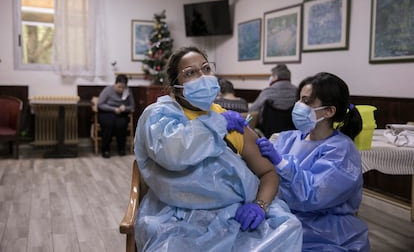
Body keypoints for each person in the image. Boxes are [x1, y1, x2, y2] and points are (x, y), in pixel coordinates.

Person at [134, 46, 302, 251]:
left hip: (233, 214)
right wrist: (218, 124)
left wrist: (259, 206)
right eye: (190, 73)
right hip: (177, 215)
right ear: (174, 86)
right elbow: (173, 153)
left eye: (206, 68)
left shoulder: (233, 123)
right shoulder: (161, 116)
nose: (202, 76)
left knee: (289, 228)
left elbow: (268, 173)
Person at [256, 72, 370, 251]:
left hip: (325, 233)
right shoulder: (287, 139)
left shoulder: (342, 151)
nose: (298, 106)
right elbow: (262, 174)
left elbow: (313, 196)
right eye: (299, 100)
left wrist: (281, 163)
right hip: (283, 219)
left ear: (329, 111)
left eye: (307, 102)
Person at [98, 74, 135, 158]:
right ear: (115, 84)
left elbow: (132, 106)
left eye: (123, 87)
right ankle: (105, 149)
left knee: (121, 125)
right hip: (107, 112)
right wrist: (113, 109)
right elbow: (100, 104)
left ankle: (121, 148)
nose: (121, 89)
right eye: (119, 87)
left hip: (121, 113)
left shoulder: (128, 91)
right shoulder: (107, 90)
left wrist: (124, 108)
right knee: (108, 125)